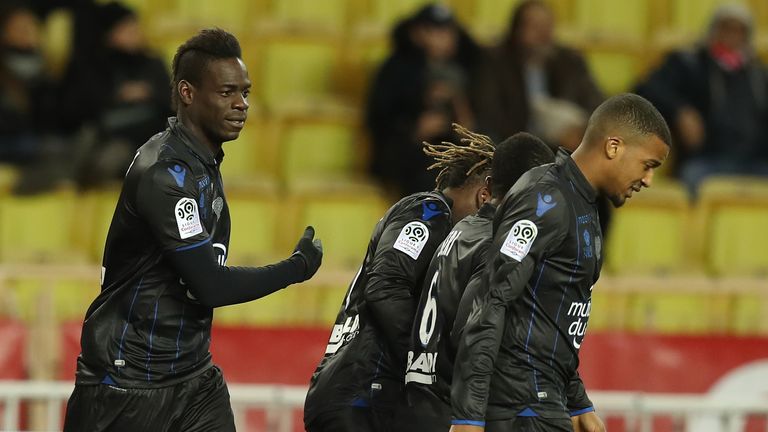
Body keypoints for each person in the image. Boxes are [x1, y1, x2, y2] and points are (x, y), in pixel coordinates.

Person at [63, 29, 323, 432]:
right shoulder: (164, 173)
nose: (242, 105)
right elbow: (210, 286)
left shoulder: (201, 164)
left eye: (246, 92)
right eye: (226, 93)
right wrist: (297, 267)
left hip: (192, 378)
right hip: (126, 384)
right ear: (187, 92)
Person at [451, 93, 671, 432]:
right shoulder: (546, 199)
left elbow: (553, 318)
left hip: (543, 399)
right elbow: (490, 299)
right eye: (648, 165)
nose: (648, 180)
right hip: (520, 405)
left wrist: (577, 399)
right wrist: (467, 417)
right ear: (614, 147)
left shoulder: (582, 204)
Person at [304, 123, 495, 432]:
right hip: (363, 393)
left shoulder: (444, 233)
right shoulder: (428, 212)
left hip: (365, 394)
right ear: (484, 195)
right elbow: (386, 287)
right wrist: (427, 357)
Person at [394, 131, 554, 432]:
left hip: (416, 399)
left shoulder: (461, 229)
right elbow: (474, 331)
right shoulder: (497, 245)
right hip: (452, 412)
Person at [635, 3, 768, 197]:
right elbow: (647, 89)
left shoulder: (759, 75)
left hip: (754, 163)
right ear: (712, 30)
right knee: (692, 177)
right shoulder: (689, 64)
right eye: (725, 27)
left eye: (739, 30)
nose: (732, 35)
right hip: (706, 161)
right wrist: (680, 110)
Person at [366, 3, 480, 197]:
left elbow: (476, 121)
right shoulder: (395, 69)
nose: (442, 38)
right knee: (431, 176)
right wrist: (414, 129)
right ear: (416, 33)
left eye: (447, 31)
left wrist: (458, 106)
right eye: (433, 30)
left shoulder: (468, 68)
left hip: (454, 148)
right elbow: (378, 119)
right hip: (408, 152)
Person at [59, 1, 172, 188]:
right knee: (87, 139)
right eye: (126, 27)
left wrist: (147, 93)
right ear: (108, 34)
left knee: (118, 153)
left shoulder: (152, 64)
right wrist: (116, 96)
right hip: (98, 133)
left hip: (141, 141)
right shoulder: (89, 67)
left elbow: (173, 108)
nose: (135, 32)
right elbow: (71, 110)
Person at [470, 0, 602, 150]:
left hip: (563, 149)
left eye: (548, 27)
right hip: (513, 148)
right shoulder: (495, 61)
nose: (543, 34)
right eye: (535, 27)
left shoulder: (570, 62)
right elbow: (488, 115)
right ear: (517, 30)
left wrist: (578, 126)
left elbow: (596, 103)